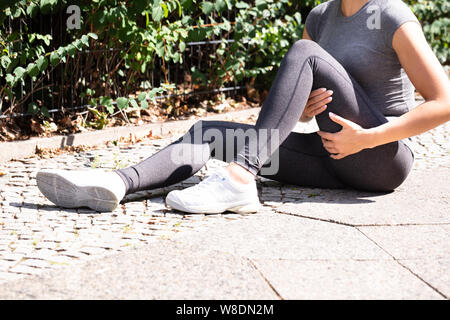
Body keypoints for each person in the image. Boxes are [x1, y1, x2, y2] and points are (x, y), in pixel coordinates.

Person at [36, 0, 450, 214]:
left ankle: (238, 180)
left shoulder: (391, 13)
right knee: (207, 133)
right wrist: (307, 110)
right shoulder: (321, 16)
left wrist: (368, 138)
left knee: (305, 52)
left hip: (381, 160)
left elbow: (444, 102)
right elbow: (298, 105)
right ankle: (114, 184)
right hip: (331, 158)